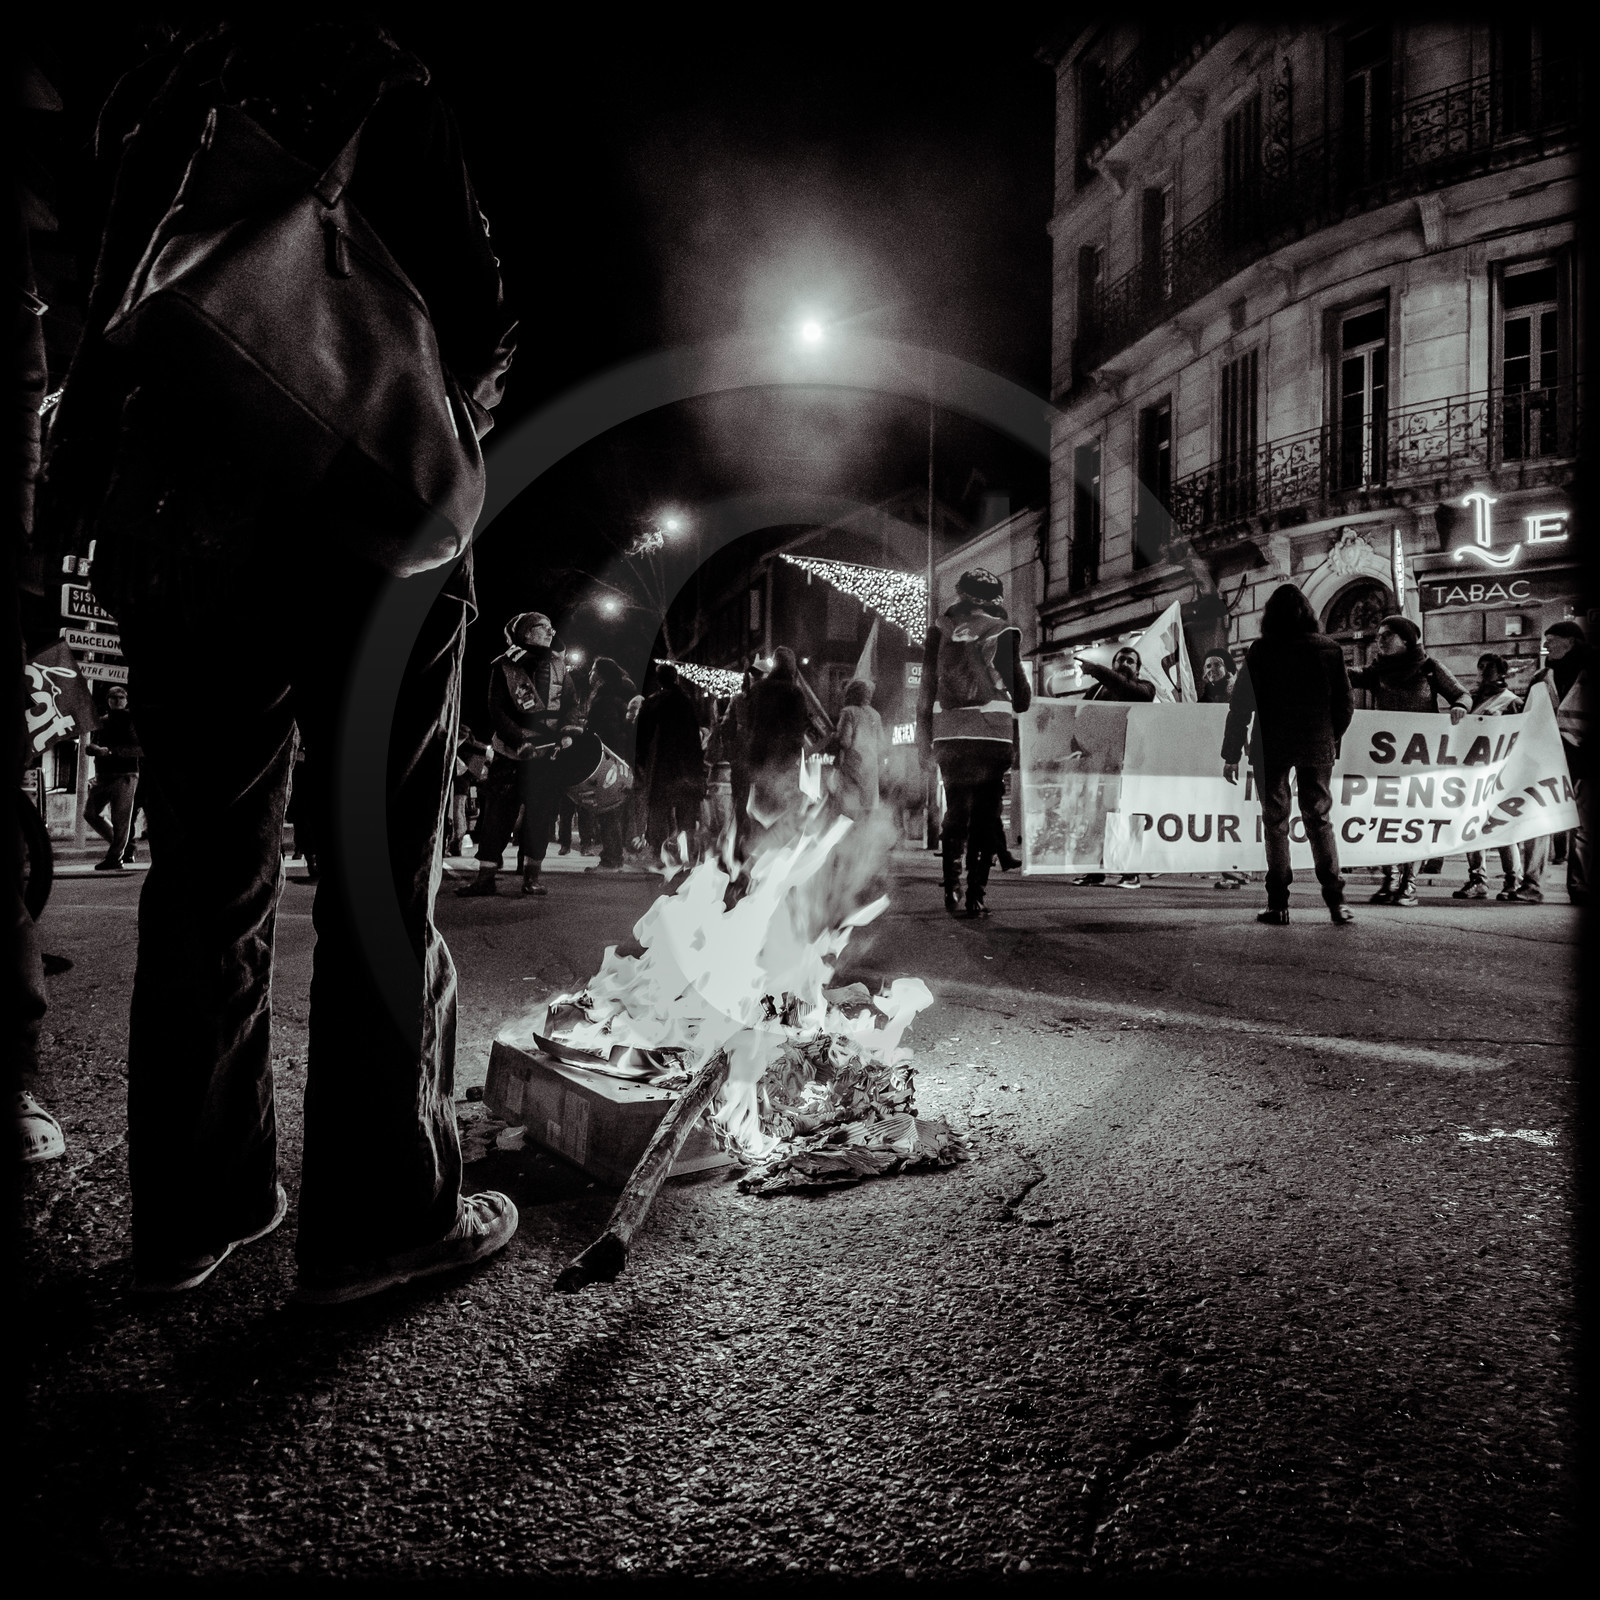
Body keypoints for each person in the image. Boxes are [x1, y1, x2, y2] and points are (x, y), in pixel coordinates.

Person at [40, 19, 519, 1298]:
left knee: (204, 872)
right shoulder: (387, 81)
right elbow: (474, 321)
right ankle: (376, 1217)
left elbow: (109, 324)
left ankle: (197, 1208)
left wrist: (69, 519)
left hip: (181, 525)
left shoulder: (158, 102)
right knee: (374, 876)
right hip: (365, 531)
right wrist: (442, 425)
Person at [1221, 583, 1355, 926]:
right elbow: (1344, 703)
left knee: (1275, 823)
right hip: (1316, 744)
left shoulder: (1261, 651)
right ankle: (1336, 902)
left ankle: (1278, 904)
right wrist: (1331, 737)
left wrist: (1232, 753)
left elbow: (1240, 706)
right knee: (1319, 819)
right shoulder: (1330, 649)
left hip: (1271, 744)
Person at [917, 568, 1032, 917]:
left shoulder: (939, 632)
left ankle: (951, 885)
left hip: (949, 735)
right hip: (990, 736)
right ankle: (976, 895)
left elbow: (925, 691)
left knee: (956, 808)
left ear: (959, 594)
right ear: (996, 597)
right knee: (985, 815)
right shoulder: (1000, 630)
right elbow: (1022, 698)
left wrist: (924, 740)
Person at [1348, 614, 1470, 907]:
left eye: (1386, 635)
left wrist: (1459, 708)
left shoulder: (1429, 668)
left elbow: (1462, 694)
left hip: (1419, 761)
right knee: (1385, 820)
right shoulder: (1377, 672)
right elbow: (1348, 675)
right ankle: (1389, 880)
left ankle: (1408, 883)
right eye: (1378, 635)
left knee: (1414, 821)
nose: (1380, 640)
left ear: (1405, 639)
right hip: (1385, 760)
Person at [458, 612, 580, 897]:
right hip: (510, 755)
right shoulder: (504, 666)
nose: (551, 631)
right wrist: (517, 741)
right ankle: (485, 878)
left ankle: (532, 878)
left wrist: (567, 731)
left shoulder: (560, 666)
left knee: (540, 817)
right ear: (526, 633)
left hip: (546, 757)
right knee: (498, 816)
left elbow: (571, 704)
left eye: (551, 626)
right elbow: (497, 711)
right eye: (543, 627)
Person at [1517, 621, 1590, 905]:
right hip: (1546, 761)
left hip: (1585, 762)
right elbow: (1526, 717)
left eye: (1552, 639)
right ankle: (1531, 885)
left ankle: (1580, 887)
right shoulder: (1541, 677)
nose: (1546, 644)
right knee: (1537, 823)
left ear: (1571, 641)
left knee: (1583, 828)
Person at [1071, 644, 1154, 888]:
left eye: (1131, 662)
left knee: (1128, 817)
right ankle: (1095, 870)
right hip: (1100, 765)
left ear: (1138, 670)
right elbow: (1082, 720)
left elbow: (1130, 692)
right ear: (1113, 664)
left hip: (1130, 766)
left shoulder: (1144, 688)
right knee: (1097, 818)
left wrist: (1095, 669)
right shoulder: (1096, 691)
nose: (1125, 665)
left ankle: (1131, 871)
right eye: (1121, 660)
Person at [1452, 655, 1523, 900]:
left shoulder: (1511, 702)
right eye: (1480, 667)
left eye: (1487, 668)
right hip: (1471, 772)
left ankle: (1513, 880)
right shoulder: (1471, 698)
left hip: (1499, 774)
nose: (1482, 672)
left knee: (1502, 826)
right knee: (1471, 826)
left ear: (1500, 673)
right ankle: (1477, 879)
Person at [633, 663, 707, 863]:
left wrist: (639, 759)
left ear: (659, 680)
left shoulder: (655, 702)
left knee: (659, 807)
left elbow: (643, 735)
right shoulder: (687, 701)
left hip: (664, 765)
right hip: (688, 766)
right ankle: (687, 854)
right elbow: (695, 736)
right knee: (686, 812)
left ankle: (658, 851)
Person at [580, 656, 637, 873]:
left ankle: (611, 859)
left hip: (608, 761)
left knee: (608, 810)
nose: (590, 674)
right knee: (613, 810)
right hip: (619, 760)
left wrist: (590, 738)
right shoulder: (619, 695)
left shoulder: (605, 698)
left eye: (593, 670)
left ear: (601, 675)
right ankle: (614, 856)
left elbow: (608, 731)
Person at [83, 683, 142, 871]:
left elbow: (139, 749)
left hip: (125, 774)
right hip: (103, 775)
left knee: (121, 819)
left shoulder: (132, 720)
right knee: (91, 813)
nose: (117, 701)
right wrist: (92, 749)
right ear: (107, 700)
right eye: (113, 698)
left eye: (120, 698)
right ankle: (119, 846)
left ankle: (115, 856)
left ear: (126, 701)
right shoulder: (102, 721)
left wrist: (109, 752)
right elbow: (92, 744)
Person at [825, 678, 885, 822]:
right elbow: (882, 744)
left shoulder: (848, 712)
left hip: (853, 769)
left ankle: (847, 843)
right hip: (870, 771)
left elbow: (845, 741)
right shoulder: (875, 715)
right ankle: (865, 843)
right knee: (866, 815)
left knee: (848, 814)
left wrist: (834, 736)